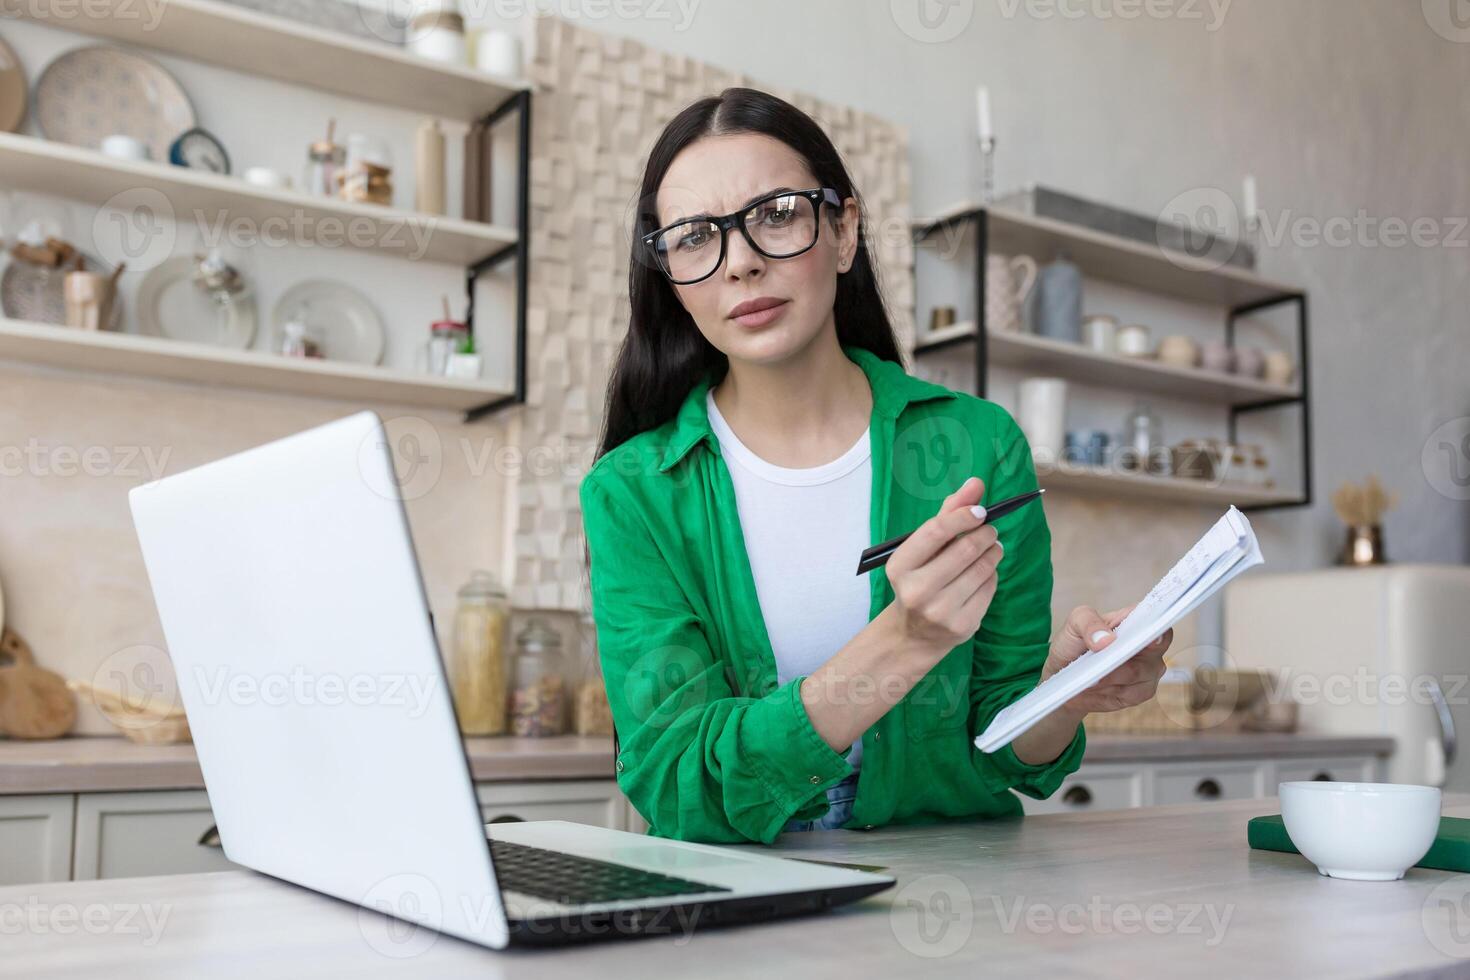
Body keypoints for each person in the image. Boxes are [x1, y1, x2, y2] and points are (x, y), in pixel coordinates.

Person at [578, 87, 1172, 844]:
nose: (742, 263)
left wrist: (1065, 691)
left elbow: (1005, 756)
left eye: (778, 214)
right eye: (695, 237)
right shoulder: (632, 492)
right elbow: (678, 785)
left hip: (954, 898)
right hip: (750, 894)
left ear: (844, 230)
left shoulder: (978, 447)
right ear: (669, 275)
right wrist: (907, 639)